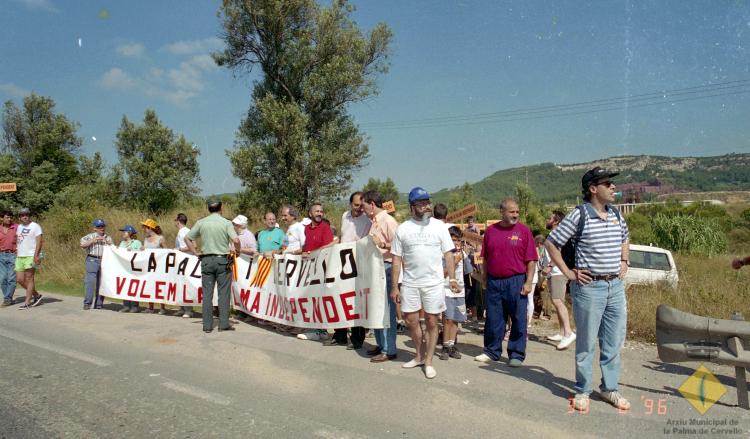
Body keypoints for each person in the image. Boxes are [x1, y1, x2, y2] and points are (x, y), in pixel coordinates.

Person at [544, 166, 631, 412]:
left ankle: (609, 388)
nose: (613, 187)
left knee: (613, 341)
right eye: (607, 183)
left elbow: (625, 237)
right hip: (589, 286)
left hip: (614, 285)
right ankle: (582, 390)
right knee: (586, 343)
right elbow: (552, 243)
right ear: (593, 189)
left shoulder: (615, 213)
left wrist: (624, 260)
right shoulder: (578, 215)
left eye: (612, 184)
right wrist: (569, 272)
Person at [391, 187, 458, 379]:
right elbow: (396, 259)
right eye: (420, 203)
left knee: (431, 321)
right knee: (411, 321)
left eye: (427, 202)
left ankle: (428, 361)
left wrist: (452, 278)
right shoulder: (403, 228)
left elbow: (448, 254)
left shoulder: (439, 226)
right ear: (412, 206)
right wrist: (395, 286)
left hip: (433, 283)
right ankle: (419, 355)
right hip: (411, 283)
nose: (425, 206)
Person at [474, 198, 537, 367]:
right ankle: (491, 351)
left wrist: (529, 282)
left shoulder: (524, 231)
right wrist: (485, 277)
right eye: (511, 212)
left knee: (518, 318)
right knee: (494, 318)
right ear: (502, 212)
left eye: (517, 211)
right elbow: (486, 257)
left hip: (516, 280)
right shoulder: (491, 231)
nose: (515, 215)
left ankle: (516, 354)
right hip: (494, 281)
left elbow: (531, 259)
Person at [185, 198, 240, 333]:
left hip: (207, 261)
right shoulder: (226, 223)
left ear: (208, 208)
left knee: (207, 294)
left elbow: (187, 238)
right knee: (223, 294)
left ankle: (207, 325)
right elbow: (236, 240)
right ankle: (223, 324)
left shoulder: (201, 222)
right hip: (222, 261)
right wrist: (237, 251)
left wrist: (194, 252)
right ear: (221, 208)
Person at [327, 192, 371, 349]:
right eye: (356, 205)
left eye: (361, 205)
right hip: (343, 262)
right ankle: (340, 335)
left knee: (356, 300)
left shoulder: (368, 218)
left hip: (359, 263)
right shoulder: (345, 216)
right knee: (340, 297)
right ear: (350, 204)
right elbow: (342, 236)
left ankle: (357, 339)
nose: (359, 209)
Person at [363, 190, 400, 363]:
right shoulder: (374, 222)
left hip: (386, 267)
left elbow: (400, 245)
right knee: (377, 308)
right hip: (375, 268)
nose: (362, 209)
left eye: (364, 205)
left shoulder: (388, 221)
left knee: (386, 310)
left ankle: (389, 349)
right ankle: (381, 344)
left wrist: (383, 244)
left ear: (372, 204)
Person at [297, 202, 335, 341]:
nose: (320, 213)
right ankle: (314, 327)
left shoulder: (325, 228)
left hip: (322, 269)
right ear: (310, 214)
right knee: (310, 298)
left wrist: (313, 253)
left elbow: (329, 246)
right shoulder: (306, 229)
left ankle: (321, 330)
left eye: (321, 211)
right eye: (317, 211)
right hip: (309, 269)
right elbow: (305, 246)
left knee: (320, 298)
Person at [541, 210, 575, 350]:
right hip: (553, 273)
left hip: (557, 272)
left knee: (558, 301)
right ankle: (562, 332)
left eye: (549, 218)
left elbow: (559, 252)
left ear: (556, 221)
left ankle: (568, 332)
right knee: (556, 301)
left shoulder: (559, 234)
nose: (546, 219)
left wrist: (550, 266)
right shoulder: (553, 234)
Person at [439, 226, 467, 360]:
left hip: (460, 292)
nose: (456, 243)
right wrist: (454, 262)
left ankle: (451, 344)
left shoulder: (463, 254)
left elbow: (469, 271)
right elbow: (441, 274)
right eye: (453, 240)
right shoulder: (443, 254)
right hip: (447, 290)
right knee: (448, 319)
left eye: (458, 240)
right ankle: (445, 345)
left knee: (456, 319)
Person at [79, 219, 114, 310]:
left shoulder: (108, 237)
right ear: (95, 228)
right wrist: (93, 241)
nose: (101, 228)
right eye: (99, 226)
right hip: (92, 259)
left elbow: (113, 249)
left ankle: (99, 304)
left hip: (104, 261)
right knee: (90, 282)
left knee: (101, 283)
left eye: (103, 226)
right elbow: (82, 244)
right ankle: (87, 303)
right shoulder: (89, 236)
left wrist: (108, 243)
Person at [16, 208, 43, 310]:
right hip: (20, 256)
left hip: (30, 255)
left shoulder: (35, 226)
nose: (25, 216)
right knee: (19, 279)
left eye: (26, 214)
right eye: (22, 215)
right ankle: (37, 295)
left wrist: (36, 255)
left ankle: (27, 302)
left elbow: (39, 242)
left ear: (29, 215)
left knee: (29, 278)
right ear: (20, 217)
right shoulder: (19, 227)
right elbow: (19, 240)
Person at [141, 219, 167, 315]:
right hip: (148, 267)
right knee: (149, 286)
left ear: (150, 228)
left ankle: (162, 308)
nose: (144, 229)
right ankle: (151, 307)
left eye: (146, 227)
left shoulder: (160, 238)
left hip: (159, 267)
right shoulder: (146, 239)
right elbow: (144, 253)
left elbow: (166, 251)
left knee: (160, 286)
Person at [118, 225, 142, 313]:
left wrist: (134, 251)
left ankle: (135, 306)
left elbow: (142, 255)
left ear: (130, 233)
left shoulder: (137, 243)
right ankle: (126, 305)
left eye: (124, 232)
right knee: (125, 286)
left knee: (134, 286)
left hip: (134, 269)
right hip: (124, 268)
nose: (123, 234)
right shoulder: (122, 243)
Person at [175, 213, 194, 318]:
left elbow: (193, 246)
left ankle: (188, 310)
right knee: (180, 284)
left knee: (187, 285)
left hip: (186, 261)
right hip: (181, 261)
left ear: (178, 221)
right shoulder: (181, 231)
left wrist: (179, 249)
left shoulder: (186, 231)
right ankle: (182, 308)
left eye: (176, 221)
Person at [0, 210, 17, 307]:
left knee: (11, 278)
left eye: (10, 217)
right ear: (2, 218)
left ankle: (7, 299)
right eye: (7, 217)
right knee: (2, 279)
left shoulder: (16, 227)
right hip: (1, 255)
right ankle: (8, 298)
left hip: (13, 255)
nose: (9, 219)